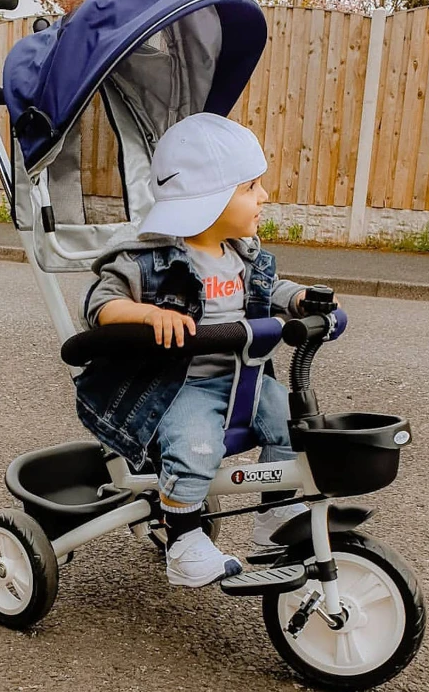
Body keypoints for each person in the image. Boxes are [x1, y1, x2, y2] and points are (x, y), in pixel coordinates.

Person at [75, 113, 324, 588]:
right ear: (210, 198)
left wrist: (299, 300)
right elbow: (101, 305)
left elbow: (271, 287)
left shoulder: (241, 253)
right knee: (196, 447)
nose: (264, 196)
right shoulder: (150, 261)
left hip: (243, 381)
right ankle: (184, 543)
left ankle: (277, 512)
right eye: (251, 186)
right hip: (179, 386)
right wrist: (150, 315)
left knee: (290, 424)